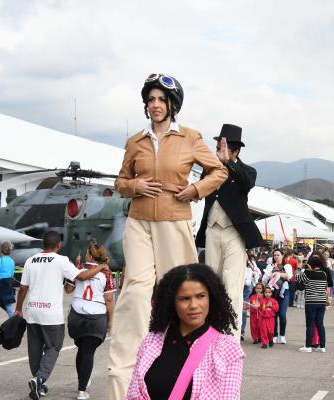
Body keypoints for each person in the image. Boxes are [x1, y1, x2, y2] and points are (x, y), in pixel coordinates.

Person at [110, 73, 227, 399]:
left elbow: (219, 171)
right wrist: (135, 186)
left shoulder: (190, 137)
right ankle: (123, 380)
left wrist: (194, 189)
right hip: (139, 221)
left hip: (175, 222)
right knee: (134, 294)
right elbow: (121, 181)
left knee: (183, 291)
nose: (155, 105)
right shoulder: (135, 141)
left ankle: (191, 366)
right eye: (151, 100)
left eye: (162, 100)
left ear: (173, 104)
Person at [14, 231, 110, 400]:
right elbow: (81, 276)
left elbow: (22, 288)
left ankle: (39, 385)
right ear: (58, 245)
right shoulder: (61, 260)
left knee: (35, 350)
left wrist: (18, 308)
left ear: (44, 244)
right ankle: (39, 379)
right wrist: (101, 267)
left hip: (33, 312)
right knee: (53, 347)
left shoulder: (30, 261)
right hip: (52, 314)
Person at [126, 263, 244, 399]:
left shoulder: (227, 349)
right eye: (184, 299)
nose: (193, 305)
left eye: (200, 296)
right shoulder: (151, 341)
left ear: (211, 297)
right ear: (172, 302)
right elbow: (132, 394)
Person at [196, 123, 263, 339]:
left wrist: (230, 163)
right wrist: (217, 165)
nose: (218, 148)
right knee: (211, 283)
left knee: (232, 284)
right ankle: (209, 331)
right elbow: (202, 188)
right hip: (212, 230)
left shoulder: (246, 170)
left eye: (222, 145)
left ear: (235, 150)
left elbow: (246, 184)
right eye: (217, 144)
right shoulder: (210, 169)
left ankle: (231, 336)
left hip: (235, 232)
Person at [65, 242, 116, 400]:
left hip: (77, 315)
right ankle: (82, 390)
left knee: (81, 349)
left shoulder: (78, 269)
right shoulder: (106, 273)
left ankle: (83, 381)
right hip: (96, 316)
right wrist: (110, 321)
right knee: (88, 352)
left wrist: (75, 266)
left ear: (89, 255)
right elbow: (109, 300)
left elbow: (68, 290)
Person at [295, 252, 329, 353]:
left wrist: (300, 267)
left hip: (311, 302)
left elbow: (296, 277)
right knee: (320, 324)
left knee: (310, 325)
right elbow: (324, 287)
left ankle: (308, 346)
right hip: (321, 301)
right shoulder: (324, 274)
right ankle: (322, 347)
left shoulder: (308, 273)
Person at [262, 249, 293, 344]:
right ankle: (274, 334)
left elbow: (289, 276)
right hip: (272, 293)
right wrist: (269, 276)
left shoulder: (287, 265)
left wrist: (278, 274)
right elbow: (264, 280)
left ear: (282, 255)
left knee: (282, 314)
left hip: (284, 292)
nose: (276, 256)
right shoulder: (269, 266)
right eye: (274, 255)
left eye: (278, 255)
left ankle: (282, 335)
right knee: (273, 314)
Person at [240, 255, 261, 341]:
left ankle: (241, 331)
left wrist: (253, 273)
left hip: (246, 289)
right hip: (236, 288)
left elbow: (258, 274)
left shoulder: (250, 265)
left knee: (243, 310)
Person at [0, 241, 16, 318]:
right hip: (8, 284)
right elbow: (12, 274)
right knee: (9, 307)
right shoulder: (12, 261)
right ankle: (13, 323)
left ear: (0, 249)